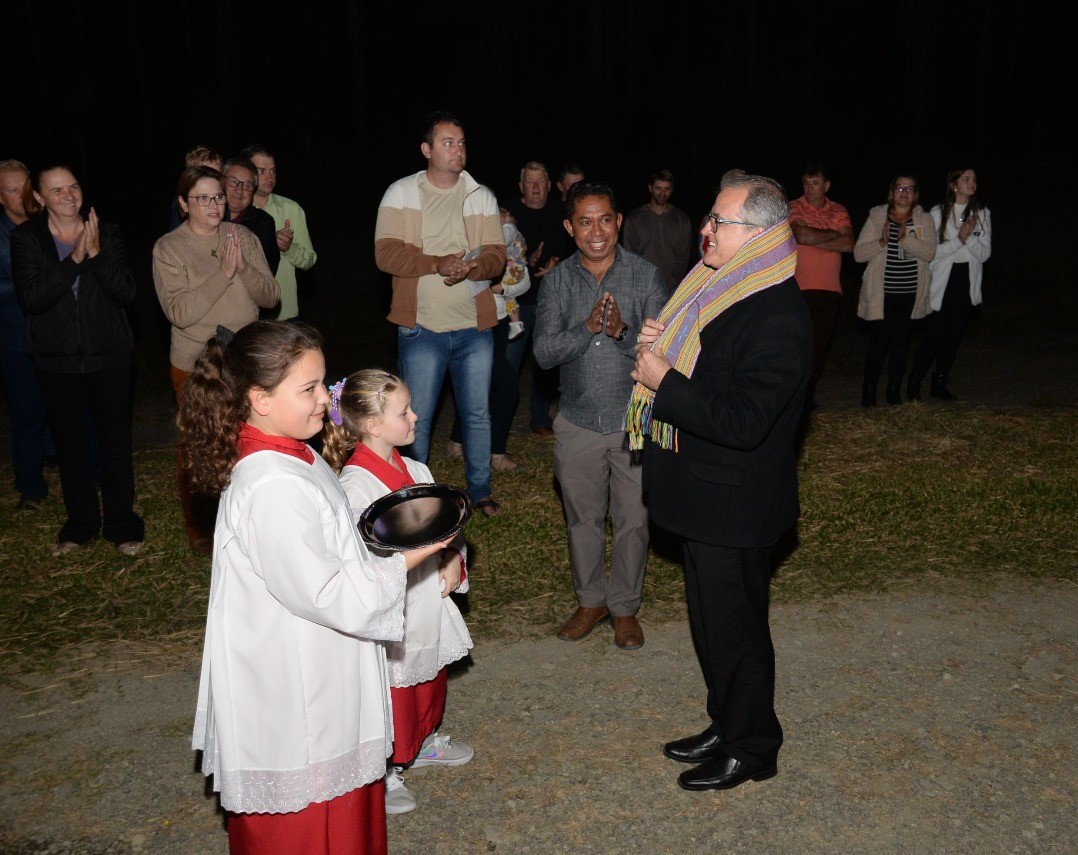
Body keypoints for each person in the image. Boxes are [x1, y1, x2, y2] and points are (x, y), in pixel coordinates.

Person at [180, 321, 452, 854]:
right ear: (259, 399)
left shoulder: (294, 454)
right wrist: (409, 558)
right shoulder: (272, 484)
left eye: (322, 384)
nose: (325, 400)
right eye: (308, 389)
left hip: (319, 671)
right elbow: (327, 591)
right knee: (310, 829)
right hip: (297, 694)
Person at [626, 173, 812, 792]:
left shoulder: (776, 312)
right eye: (708, 217)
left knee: (737, 633)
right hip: (707, 500)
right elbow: (709, 373)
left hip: (735, 506)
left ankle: (753, 747)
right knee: (713, 625)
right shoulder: (721, 287)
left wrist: (665, 381)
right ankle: (727, 722)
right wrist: (664, 355)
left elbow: (743, 421)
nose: (704, 229)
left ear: (757, 235)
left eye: (718, 221)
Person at [322, 369, 474, 816]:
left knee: (428, 677)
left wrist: (452, 557)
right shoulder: (355, 488)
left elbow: (446, 527)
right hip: (393, 607)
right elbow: (358, 562)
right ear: (372, 425)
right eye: (403, 412)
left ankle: (422, 742)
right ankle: (383, 769)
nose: (415, 417)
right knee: (392, 690)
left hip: (425, 598)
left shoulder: (416, 469)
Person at [534, 181, 667, 650]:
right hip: (577, 421)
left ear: (619, 222)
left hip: (633, 421)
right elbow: (544, 353)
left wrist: (622, 331)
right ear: (570, 227)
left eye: (605, 219)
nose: (597, 231)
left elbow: (663, 354)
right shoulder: (557, 282)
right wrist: (586, 328)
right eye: (586, 222)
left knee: (634, 520)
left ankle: (625, 607)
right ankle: (591, 601)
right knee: (583, 519)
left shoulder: (646, 277)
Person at [374, 110, 507, 517]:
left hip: (473, 328)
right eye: (448, 142)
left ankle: (480, 490)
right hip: (421, 327)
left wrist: (471, 267)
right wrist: (437, 263)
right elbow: (385, 254)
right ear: (426, 149)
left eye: (462, 143)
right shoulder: (401, 193)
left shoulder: (480, 195)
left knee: (477, 413)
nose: (458, 150)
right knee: (416, 417)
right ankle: (416, 492)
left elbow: (496, 256)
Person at [11, 164, 145, 557]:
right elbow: (33, 298)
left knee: (114, 445)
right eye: (56, 190)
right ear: (39, 197)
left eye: (73, 186)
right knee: (71, 448)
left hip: (110, 355)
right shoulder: (27, 238)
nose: (68, 195)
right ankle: (81, 524)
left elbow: (126, 292)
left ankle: (122, 524)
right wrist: (74, 260)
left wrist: (96, 253)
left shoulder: (107, 231)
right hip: (57, 360)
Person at [152, 165, 280, 552]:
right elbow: (179, 312)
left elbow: (271, 296)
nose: (214, 204)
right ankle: (203, 527)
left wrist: (242, 268)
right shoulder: (169, 248)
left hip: (245, 360)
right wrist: (222, 274)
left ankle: (253, 519)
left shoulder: (243, 237)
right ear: (183, 203)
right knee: (200, 446)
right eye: (203, 198)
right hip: (196, 364)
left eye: (218, 196)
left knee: (252, 441)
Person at [447, 205, 531, 473]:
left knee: (482, 385)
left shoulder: (508, 240)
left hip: (500, 322)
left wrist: (502, 288)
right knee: (506, 386)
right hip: (473, 323)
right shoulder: (470, 240)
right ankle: (496, 453)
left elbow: (524, 282)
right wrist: (502, 228)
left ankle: (456, 442)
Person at [907, 168, 992, 401]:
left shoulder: (982, 214)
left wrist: (969, 237)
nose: (972, 183)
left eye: (974, 179)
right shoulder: (937, 213)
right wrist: (960, 239)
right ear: (954, 184)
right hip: (941, 282)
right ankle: (914, 382)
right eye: (966, 179)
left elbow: (984, 254)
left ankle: (940, 382)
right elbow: (931, 252)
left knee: (953, 337)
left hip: (965, 281)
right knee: (934, 335)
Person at [853, 174, 936, 406]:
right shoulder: (877, 217)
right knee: (877, 346)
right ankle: (869, 393)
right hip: (882, 295)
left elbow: (929, 253)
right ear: (891, 193)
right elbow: (858, 254)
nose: (904, 193)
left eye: (909, 189)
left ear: (916, 195)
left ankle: (893, 392)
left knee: (901, 347)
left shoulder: (924, 219)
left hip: (910, 295)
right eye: (899, 188)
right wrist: (881, 242)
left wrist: (904, 240)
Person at [505, 161, 568, 438]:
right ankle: (500, 419)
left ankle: (540, 418)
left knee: (546, 362)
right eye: (530, 182)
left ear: (549, 185)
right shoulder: (508, 212)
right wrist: (527, 263)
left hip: (549, 301)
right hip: (515, 305)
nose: (535, 187)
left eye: (540, 181)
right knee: (509, 365)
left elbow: (571, 247)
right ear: (521, 186)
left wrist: (557, 261)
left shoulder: (559, 212)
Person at [0, 159, 50, 510]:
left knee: (71, 407)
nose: (24, 196)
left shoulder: (49, 225)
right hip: (17, 338)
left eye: (27, 187)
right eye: (14, 190)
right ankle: (31, 487)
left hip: (57, 335)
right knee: (26, 413)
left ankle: (85, 471)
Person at [788, 162, 854, 409]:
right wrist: (834, 235)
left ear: (826, 186)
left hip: (829, 289)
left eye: (815, 183)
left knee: (819, 347)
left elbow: (849, 243)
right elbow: (801, 235)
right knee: (797, 345)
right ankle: (791, 394)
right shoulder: (794, 207)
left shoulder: (838, 210)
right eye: (806, 183)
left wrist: (813, 237)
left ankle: (806, 395)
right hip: (799, 288)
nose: (809, 188)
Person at [241, 143, 318, 322]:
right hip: (243, 312)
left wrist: (288, 248)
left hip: (283, 313)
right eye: (261, 171)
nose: (269, 177)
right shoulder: (234, 209)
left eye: (273, 171)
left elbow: (309, 259)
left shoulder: (291, 209)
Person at [621, 168, 695, 292]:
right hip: (642, 288)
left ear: (672, 190)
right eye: (658, 188)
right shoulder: (635, 218)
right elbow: (629, 255)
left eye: (667, 189)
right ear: (650, 188)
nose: (662, 193)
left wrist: (671, 282)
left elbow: (684, 256)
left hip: (671, 288)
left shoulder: (681, 219)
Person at [221, 154, 281, 282]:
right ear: (221, 182)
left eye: (247, 185)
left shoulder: (263, 222)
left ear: (253, 191)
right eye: (233, 181)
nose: (239, 190)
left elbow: (267, 272)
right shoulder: (208, 216)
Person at [168, 145, 222, 232]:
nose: (213, 180)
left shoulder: (222, 201)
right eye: (206, 174)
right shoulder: (181, 204)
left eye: (217, 175)